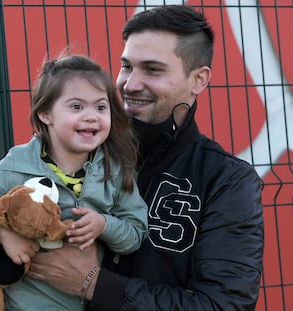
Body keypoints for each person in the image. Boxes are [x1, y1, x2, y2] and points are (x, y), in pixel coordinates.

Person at [27, 5, 264, 311]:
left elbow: (223, 305)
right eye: (127, 66)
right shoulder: (75, 148)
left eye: (153, 70)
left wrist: (93, 284)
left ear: (199, 80)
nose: (130, 83)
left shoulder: (226, 181)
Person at [0, 54, 148, 310]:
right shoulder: (19, 165)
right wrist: (1, 234)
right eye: (77, 107)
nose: (92, 116)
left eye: (101, 107)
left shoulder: (115, 170)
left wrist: (105, 225)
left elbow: (136, 230)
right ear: (45, 113)